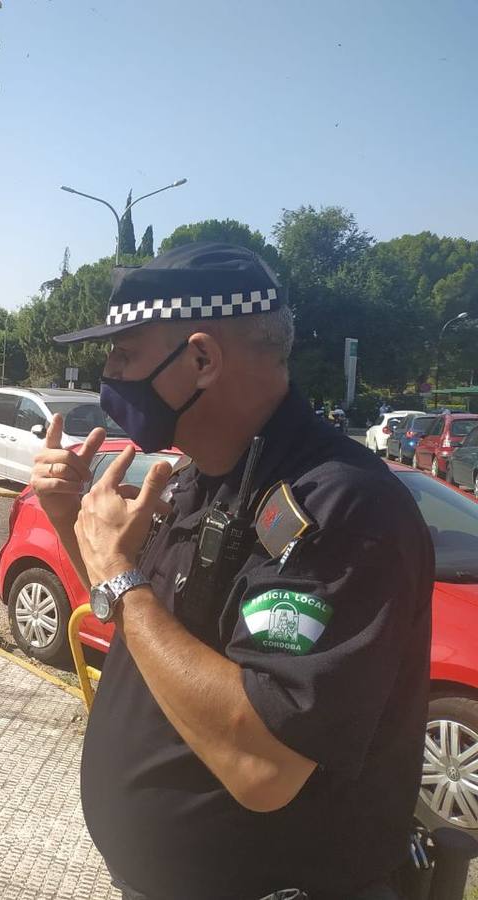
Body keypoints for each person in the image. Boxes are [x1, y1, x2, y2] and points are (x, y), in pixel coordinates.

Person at [33, 243, 432, 899]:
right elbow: (148, 629)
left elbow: (264, 763)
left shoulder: (345, 509)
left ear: (201, 359)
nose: (108, 372)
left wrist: (119, 575)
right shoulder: (205, 479)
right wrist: (64, 519)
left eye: (124, 353)